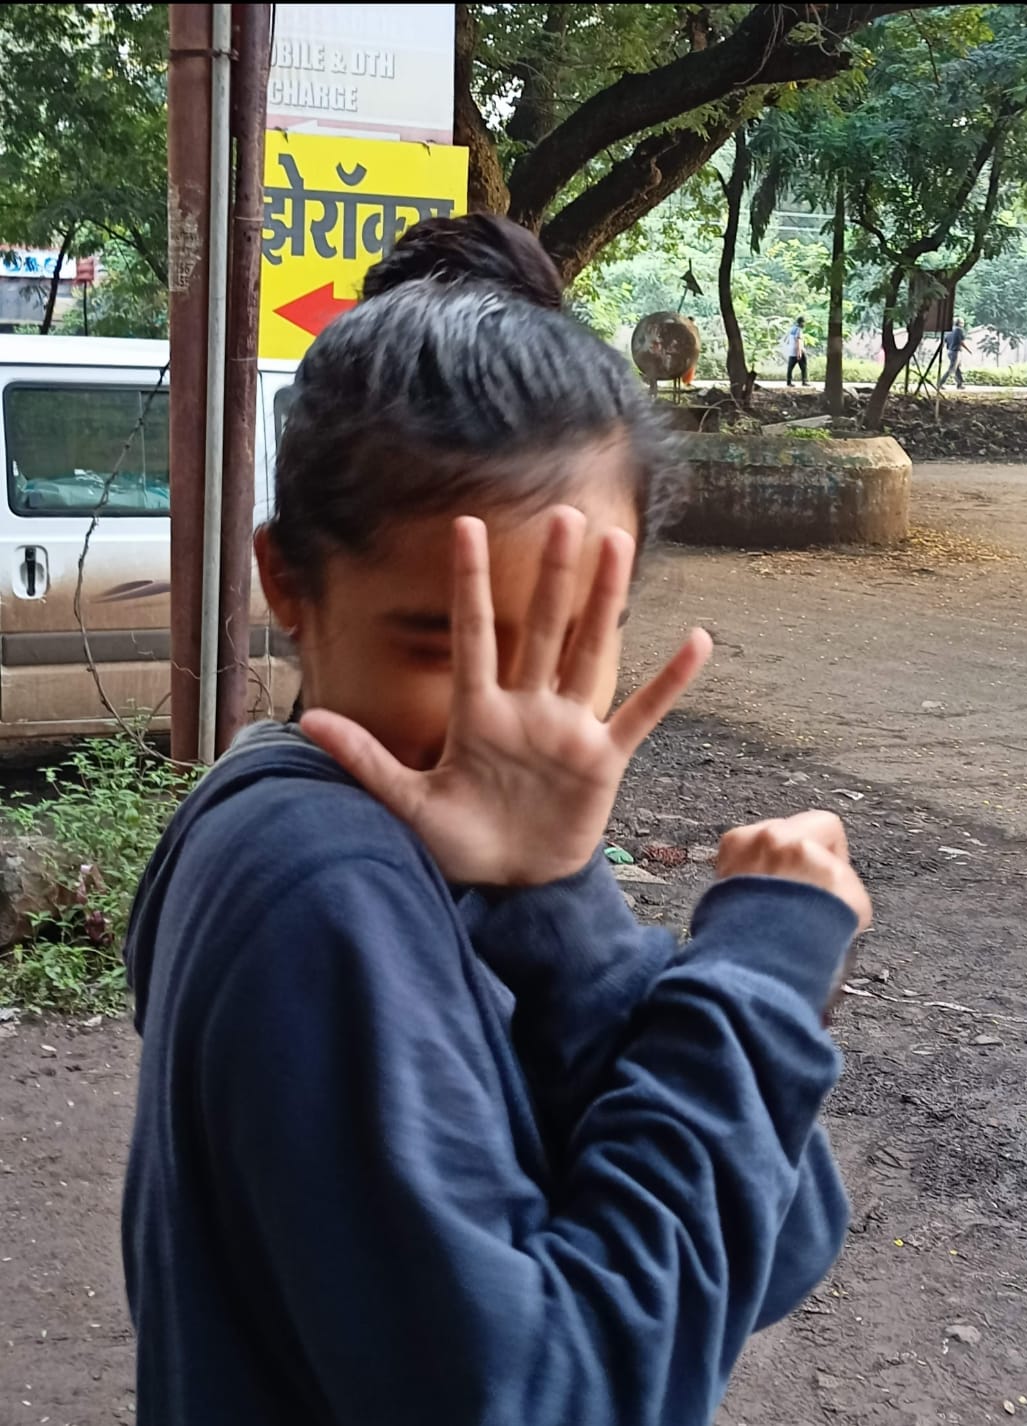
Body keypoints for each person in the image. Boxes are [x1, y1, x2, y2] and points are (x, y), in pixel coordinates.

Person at [123, 214, 872, 1426]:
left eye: (565, 647)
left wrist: (559, 893)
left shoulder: (426, 854)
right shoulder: (324, 883)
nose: (505, 722)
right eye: (444, 647)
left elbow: (769, 1249)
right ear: (288, 582)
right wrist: (761, 980)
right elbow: (554, 1397)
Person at [940, 319, 970, 389]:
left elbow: (945, 341)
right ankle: (940, 383)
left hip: (949, 351)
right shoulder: (959, 330)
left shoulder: (949, 331)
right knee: (951, 368)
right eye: (962, 323)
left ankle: (960, 383)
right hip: (956, 352)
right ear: (959, 323)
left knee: (957, 368)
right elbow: (961, 342)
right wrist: (968, 350)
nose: (963, 325)